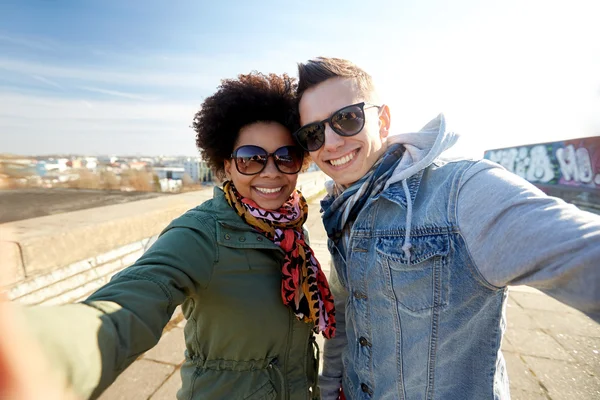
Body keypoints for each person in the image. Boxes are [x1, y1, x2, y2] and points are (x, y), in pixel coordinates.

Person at [0, 72, 336, 400]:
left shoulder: (290, 227)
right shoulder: (200, 235)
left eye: (285, 157)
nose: (271, 172)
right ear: (227, 165)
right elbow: (129, 304)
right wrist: (43, 356)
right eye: (251, 159)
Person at [293, 57, 600, 400]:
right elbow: (346, 313)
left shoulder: (460, 191)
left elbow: (585, 251)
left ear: (382, 120)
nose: (331, 143)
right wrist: (329, 385)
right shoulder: (343, 207)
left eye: (347, 119)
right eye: (313, 133)